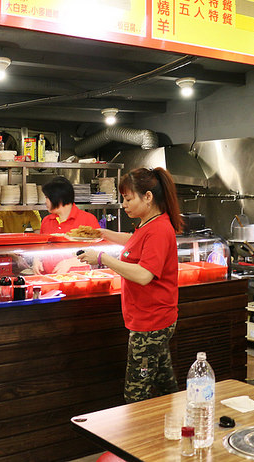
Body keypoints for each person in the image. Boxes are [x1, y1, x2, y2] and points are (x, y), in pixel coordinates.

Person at [78, 167, 183, 402]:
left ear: (148, 197)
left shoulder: (158, 228)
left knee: (135, 395)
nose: (124, 205)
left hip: (151, 322)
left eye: (128, 199)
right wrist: (102, 233)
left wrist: (102, 258)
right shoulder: (148, 223)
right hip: (151, 319)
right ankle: (178, 419)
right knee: (165, 386)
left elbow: (144, 275)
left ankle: (147, 427)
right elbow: (135, 241)